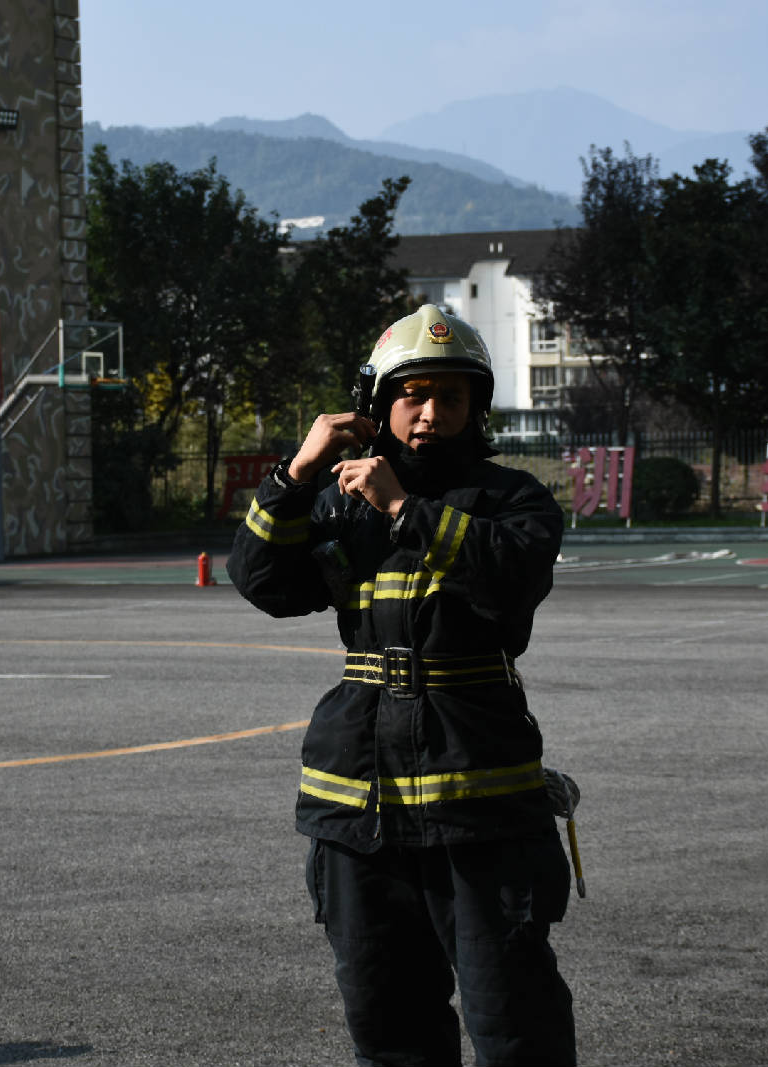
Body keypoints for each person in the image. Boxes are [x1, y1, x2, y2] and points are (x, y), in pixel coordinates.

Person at [228, 304, 576, 1066]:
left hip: (482, 809)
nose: (430, 414)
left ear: (476, 409)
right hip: (360, 807)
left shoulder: (513, 499)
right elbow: (260, 579)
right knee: (387, 1026)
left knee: (516, 1022)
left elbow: (511, 578)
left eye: (451, 397)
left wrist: (404, 509)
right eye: (413, 394)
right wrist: (295, 473)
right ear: (377, 404)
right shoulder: (338, 501)